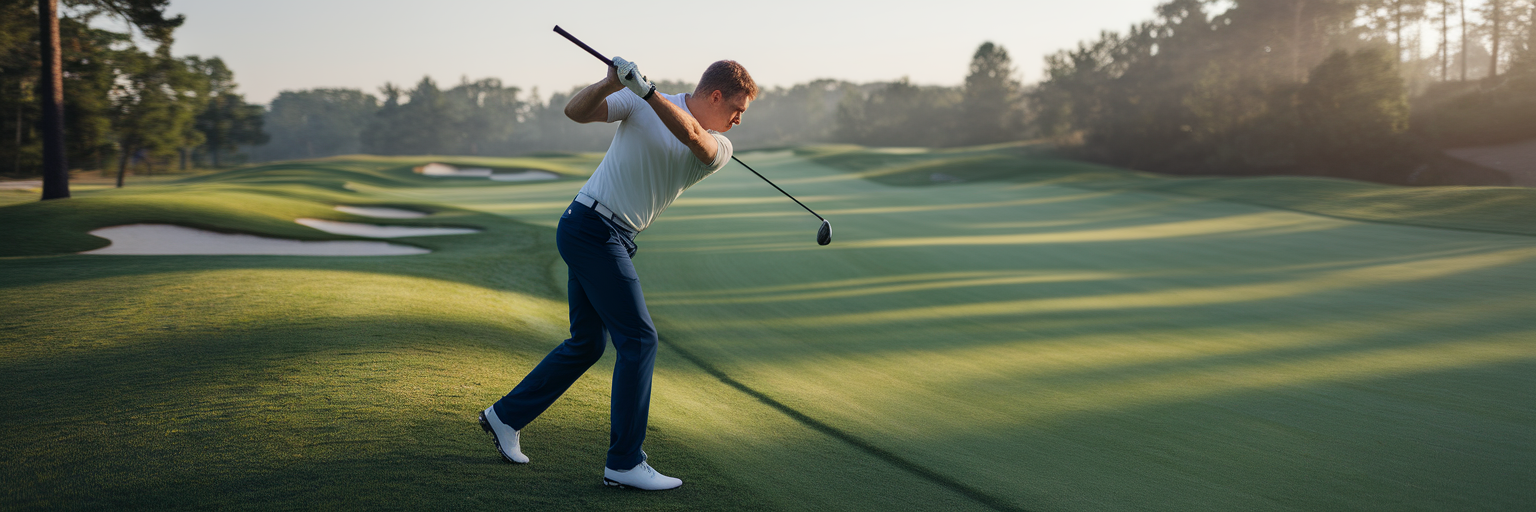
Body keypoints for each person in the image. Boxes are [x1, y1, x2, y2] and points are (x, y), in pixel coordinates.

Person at [479, 56, 756, 491]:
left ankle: (505, 416)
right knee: (640, 340)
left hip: (611, 235)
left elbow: (694, 139)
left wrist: (647, 92)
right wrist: (609, 84)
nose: (739, 121)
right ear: (716, 95)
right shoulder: (641, 98)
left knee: (587, 343)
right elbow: (576, 112)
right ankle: (624, 462)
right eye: (737, 110)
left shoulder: (718, 145)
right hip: (590, 226)